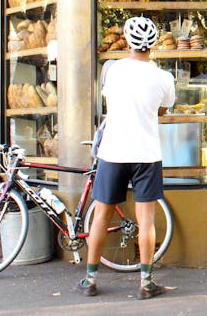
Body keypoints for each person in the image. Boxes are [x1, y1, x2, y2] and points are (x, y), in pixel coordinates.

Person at [75, 16, 175, 299]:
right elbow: (162, 110)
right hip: (147, 153)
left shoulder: (112, 70)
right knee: (146, 221)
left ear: (129, 41)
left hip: (114, 151)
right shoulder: (164, 78)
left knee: (101, 216)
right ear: (154, 43)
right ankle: (146, 283)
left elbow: (109, 100)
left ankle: (90, 280)